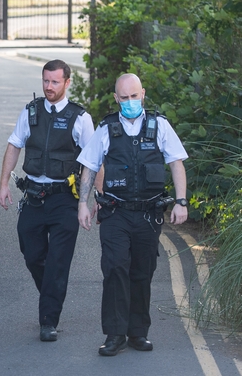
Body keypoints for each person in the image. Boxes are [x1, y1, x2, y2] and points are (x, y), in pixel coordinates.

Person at [77, 73, 189, 357]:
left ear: (143, 94)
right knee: (115, 269)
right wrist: (83, 203)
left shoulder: (159, 126)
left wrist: (181, 201)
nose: (129, 102)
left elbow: (176, 163)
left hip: (148, 216)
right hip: (115, 213)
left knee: (142, 272)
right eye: (123, 98)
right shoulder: (106, 128)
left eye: (134, 96)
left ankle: (138, 332)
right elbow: (89, 166)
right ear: (116, 98)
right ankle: (115, 334)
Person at [0, 59, 100, 342]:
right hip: (33, 197)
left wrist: (95, 198)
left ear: (67, 83)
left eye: (55, 82)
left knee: (57, 261)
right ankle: (52, 294)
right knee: (32, 254)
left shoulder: (80, 118)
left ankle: (48, 320)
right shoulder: (30, 112)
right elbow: (14, 144)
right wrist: (4, 183)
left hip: (65, 199)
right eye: (45, 81)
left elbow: (93, 161)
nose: (49, 87)